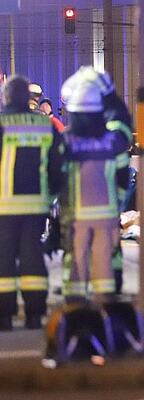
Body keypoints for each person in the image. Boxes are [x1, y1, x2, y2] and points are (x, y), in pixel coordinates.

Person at [61, 66, 133, 295]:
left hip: (76, 217)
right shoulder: (113, 140)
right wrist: (117, 204)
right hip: (107, 215)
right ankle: (107, 299)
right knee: (106, 269)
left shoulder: (66, 142)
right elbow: (123, 175)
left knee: (76, 266)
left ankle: (76, 305)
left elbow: (56, 177)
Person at [0, 76, 64, 330]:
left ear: (6, 97)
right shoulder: (44, 124)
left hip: (3, 207)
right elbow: (58, 166)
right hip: (36, 206)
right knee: (32, 259)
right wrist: (51, 195)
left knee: (3, 261)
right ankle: (34, 316)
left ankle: (4, 317)